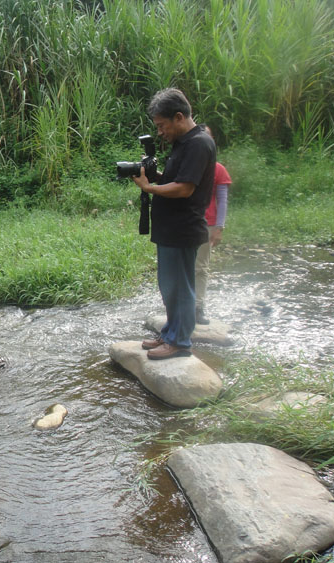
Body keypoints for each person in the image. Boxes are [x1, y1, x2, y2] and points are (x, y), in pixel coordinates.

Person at [131, 88, 216, 360]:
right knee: (169, 286)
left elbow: (184, 189)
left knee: (180, 287)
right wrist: (152, 174)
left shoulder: (198, 143)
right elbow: (174, 178)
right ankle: (170, 333)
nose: (160, 132)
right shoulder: (183, 143)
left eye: (162, 125)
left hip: (183, 229)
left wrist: (149, 188)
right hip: (170, 230)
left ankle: (180, 342)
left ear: (178, 117)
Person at [194, 124, 232, 325]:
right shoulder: (189, 165)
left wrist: (219, 227)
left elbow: (222, 200)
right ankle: (182, 306)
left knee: (200, 267)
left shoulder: (219, 169)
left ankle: (198, 308)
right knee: (183, 267)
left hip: (207, 224)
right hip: (186, 222)